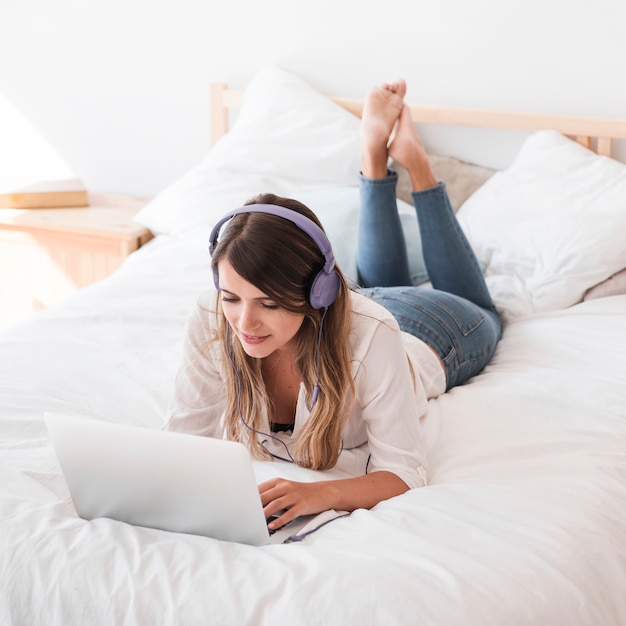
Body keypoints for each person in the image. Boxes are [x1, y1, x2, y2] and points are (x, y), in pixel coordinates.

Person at [164, 79, 502, 532]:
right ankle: (374, 160)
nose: (244, 322)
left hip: (431, 328)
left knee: (481, 308)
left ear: (317, 292)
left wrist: (318, 493)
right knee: (380, 282)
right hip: (363, 307)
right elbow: (182, 445)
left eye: (269, 302)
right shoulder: (211, 317)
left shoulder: (372, 333)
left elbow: (405, 472)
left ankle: (416, 165)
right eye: (231, 297)